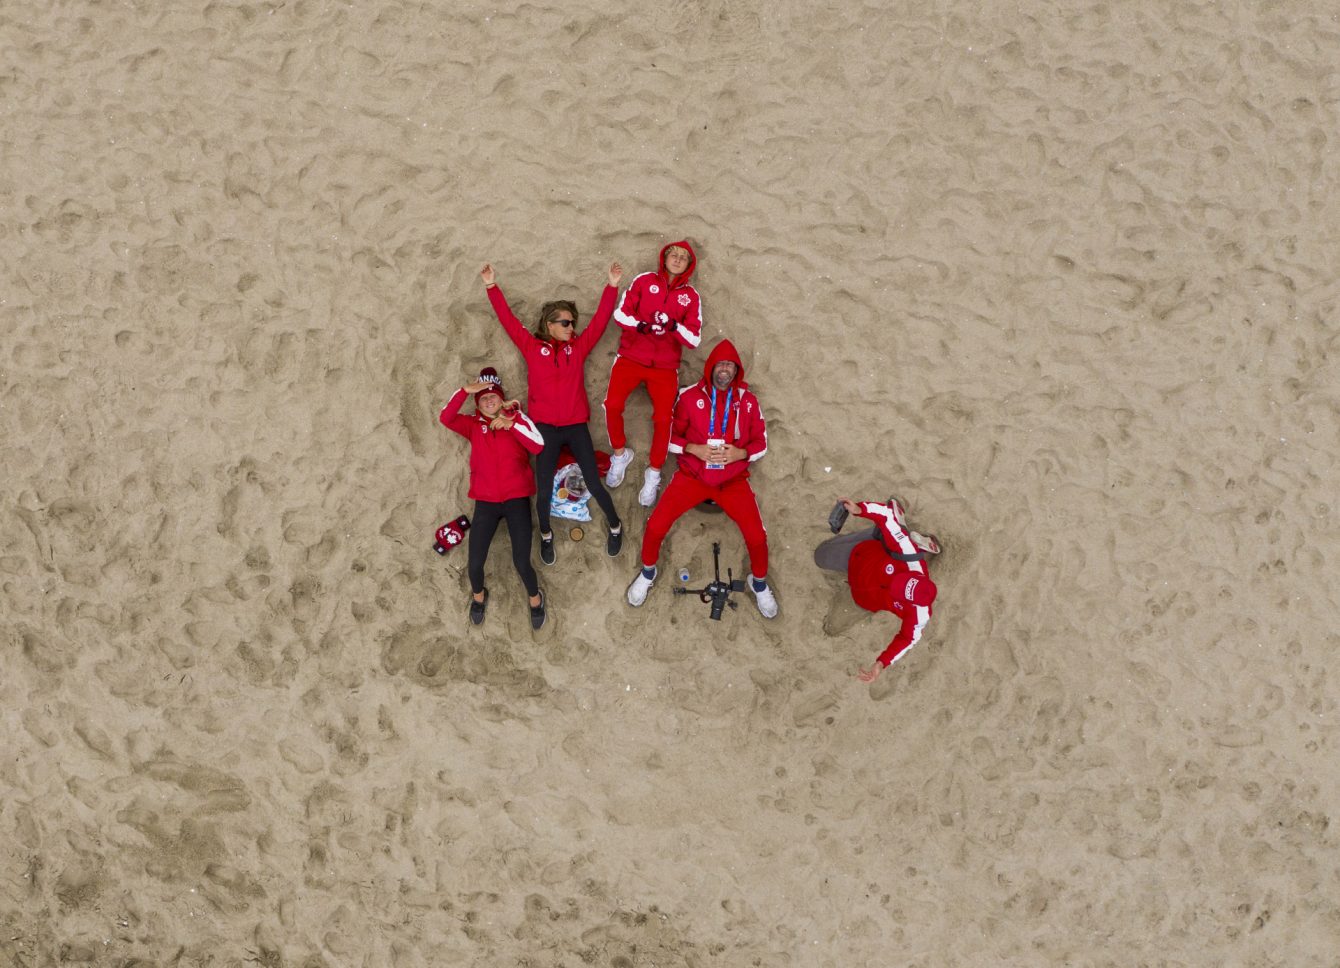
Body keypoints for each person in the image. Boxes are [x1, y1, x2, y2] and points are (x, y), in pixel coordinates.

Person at [480, 261, 625, 565]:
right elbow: (508, 321)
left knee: (594, 483)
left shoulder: (578, 348)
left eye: (572, 322)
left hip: (575, 427)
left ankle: (615, 526)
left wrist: (611, 285)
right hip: (544, 429)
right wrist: (492, 286)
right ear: (549, 325)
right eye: (565, 323)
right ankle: (546, 536)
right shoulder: (533, 348)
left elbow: (600, 322)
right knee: (543, 490)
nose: (571, 327)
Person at [625, 339, 778, 618]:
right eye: (720, 364)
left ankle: (759, 584)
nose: (725, 370)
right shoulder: (688, 396)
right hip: (692, 477)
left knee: (757, 536)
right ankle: (648, 574)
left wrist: (740, 453)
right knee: (656, 524)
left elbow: (762, 444)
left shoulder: (747, 401)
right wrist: (694, 448)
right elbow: (668, 437)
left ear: (736, 370)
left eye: (730, 365)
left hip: (732, 482)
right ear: (711, 367)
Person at [439, 367, 548, 629]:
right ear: (478, 403)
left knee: (521, 561)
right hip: (485, 503)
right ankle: (479, 597)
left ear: (501, 398)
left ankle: (535, 599)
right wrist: (465, 391)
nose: (489, 401)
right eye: (483, 398)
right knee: (474, 563)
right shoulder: (473, 425)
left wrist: (511, 425)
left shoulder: (517, 418)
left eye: (493, 397)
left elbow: (538, 445)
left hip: (516, 500)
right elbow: (446, 418)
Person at [602, 240, 703, 507]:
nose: (678, 259)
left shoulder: (690, 296)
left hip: (665, 367)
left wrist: (672, 325)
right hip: (631, 358)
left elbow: (693, 338)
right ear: (665, 257)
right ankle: (621, 454)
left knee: (663, 418)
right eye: (674, 254)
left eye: (683, 257)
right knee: (612, 404)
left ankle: (654, 472)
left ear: (688, 265)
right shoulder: (645, 280)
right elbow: (621, 315)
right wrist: (643, 327)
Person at [815, 497, 941, 681]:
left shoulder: (919, 614)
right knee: (820, 555)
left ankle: (915, 541)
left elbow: (908, 639)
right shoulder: (909, 557)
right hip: (860, 555)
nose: (893, 586)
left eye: (898, 592)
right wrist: (860, 509)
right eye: (900, 581)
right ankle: (899, 536)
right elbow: (886, 515)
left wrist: (882, 662)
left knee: (833, 625)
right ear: (915, 574)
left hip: (864, 598)